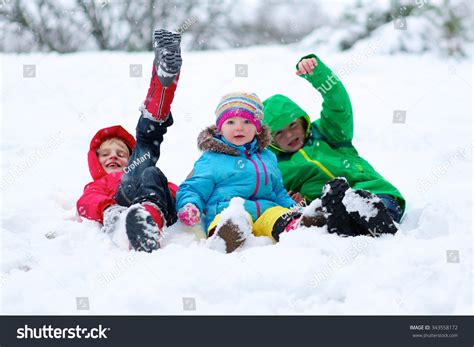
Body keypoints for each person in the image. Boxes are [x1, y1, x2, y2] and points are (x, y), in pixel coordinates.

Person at [262, 54, 405, 237]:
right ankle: (345, 220)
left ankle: (375, 216)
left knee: (374, 203)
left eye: (292, 125)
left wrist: (317, 73)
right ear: (271, 140)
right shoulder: (277, 167)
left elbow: (338, 102)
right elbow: (272, 197)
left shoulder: (329, 132)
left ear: (302, 120)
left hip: (373, 190)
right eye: (279, 133)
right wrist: (290, 202)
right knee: (330, 211)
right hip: (328, 205)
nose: (289, 135)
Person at [176, 93, 325, 253]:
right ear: (220, 128)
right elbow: (194, 187)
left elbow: (278, 192)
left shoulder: (268, 157)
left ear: (257, 128)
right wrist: (189, 205)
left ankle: (295, 226)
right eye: (231, 122)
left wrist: (295, 209)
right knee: (233, 217)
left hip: (266, 210)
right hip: (227, 209)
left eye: (247, 121)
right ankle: (225, 236)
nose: (239, 127)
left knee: (277, 215)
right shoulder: (212, 158)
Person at [77, 29, 182, 252]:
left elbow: (173, 190)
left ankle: (164, 77)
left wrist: (180, 196)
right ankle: (164, 84)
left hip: (161, 207)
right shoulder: (99, 184)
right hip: (125, 202)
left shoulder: (142, 172)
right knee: (148, 140)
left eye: (121, 153)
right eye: (105, 154)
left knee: (151, 169)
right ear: (95, 161)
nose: (113, 156)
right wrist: (108, 210)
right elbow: (85, 203)